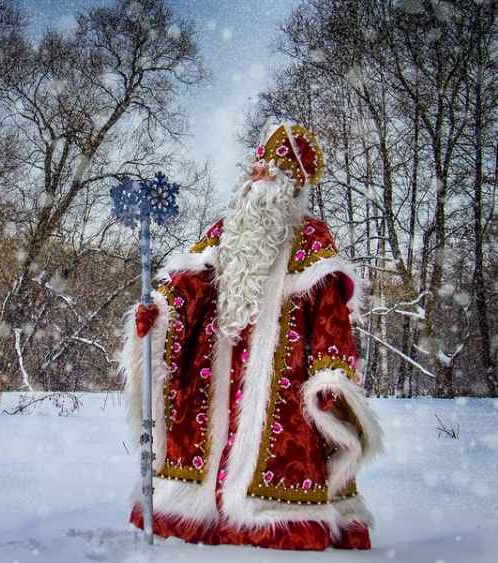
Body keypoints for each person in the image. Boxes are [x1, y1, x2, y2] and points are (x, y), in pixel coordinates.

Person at [120, 122, 383, 550]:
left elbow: (330, 315)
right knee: (204, 433)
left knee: (282, 448)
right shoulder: (223, 231)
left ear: (291, 182)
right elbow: (190, 283)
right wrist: (161, 311)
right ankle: (196, 512)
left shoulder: (310, 240)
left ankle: (271, 518)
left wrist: (330, 372)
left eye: (268, 170)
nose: (256, 176)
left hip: (280, 381)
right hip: (216, 370)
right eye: (255, 168)